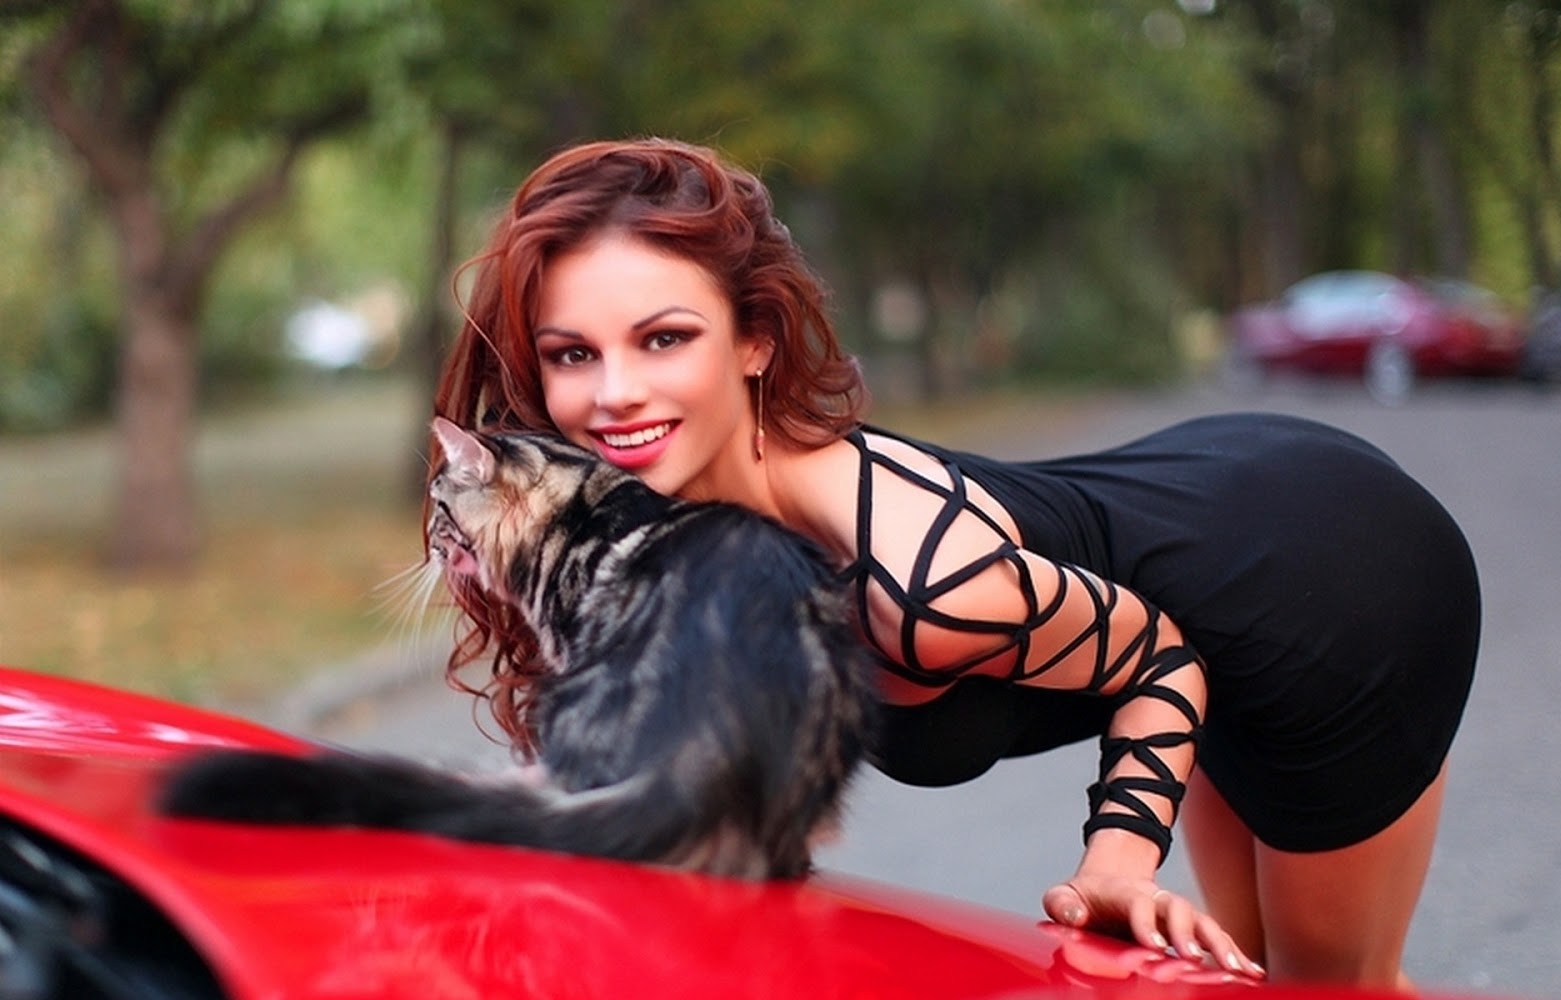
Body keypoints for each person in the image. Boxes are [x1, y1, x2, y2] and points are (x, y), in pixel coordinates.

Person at [431, 137, 1479, 988]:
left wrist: (1117, 860)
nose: (613, 394)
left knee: (1327, 990)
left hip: (1328, 581)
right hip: (1208, 531)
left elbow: (1161, 657)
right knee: (1234, 975)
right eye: (574, 354)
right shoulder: (673, 549)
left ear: (754, 341)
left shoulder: (926, 589)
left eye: (663, 338)